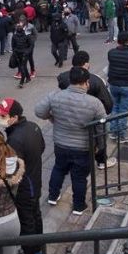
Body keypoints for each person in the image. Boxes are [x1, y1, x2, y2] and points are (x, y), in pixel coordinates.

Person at [35, 67, 107, 216]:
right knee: (79, 177)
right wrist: (100, 147)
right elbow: (101, 128)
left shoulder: (55, 96)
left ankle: (53, 196)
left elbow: (39, 111)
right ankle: (78, 206)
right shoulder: (95, 103)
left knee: (59, 168)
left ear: (70, 81)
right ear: (86, 83)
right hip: (83, 148)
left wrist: (52, 118)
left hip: (60, 144)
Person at [0, 99, 46, 254]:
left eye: (3, 115)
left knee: (26, 221)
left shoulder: (14, 140)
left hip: (24, 187)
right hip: (35, 179)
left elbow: (10, 170)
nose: (0, 118)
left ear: (14, 117)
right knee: (36, 215)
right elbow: (42, 147)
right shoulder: (33, 126)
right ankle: (39, 247)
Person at [59, 51, 116, 170]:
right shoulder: (95, 80)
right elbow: (108, 103)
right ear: (85, 64)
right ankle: (101, 161)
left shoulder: (63, 77)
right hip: (93, 117)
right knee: (99, 136)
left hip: (71, 116)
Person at [12, 17, 34, 89]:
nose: (19, 28)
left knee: (22, 67)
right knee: (22, 66)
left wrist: (27, 51)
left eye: (20, 27)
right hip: (18, 54)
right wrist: (15, 53)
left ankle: (22, 81)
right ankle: (28, 77)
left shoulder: (27, 36)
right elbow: (13, 45)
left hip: (24, 53)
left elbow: (31, 45)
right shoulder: (14, 36)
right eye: (18, 27)